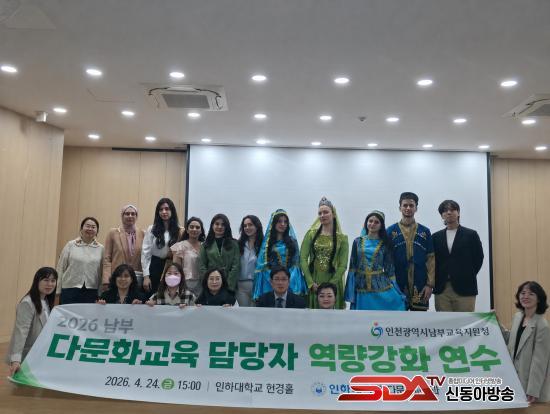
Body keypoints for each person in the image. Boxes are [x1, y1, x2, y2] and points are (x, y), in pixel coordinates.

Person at [345, 211, 406, 310]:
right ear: (366, 222)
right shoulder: (357, 242)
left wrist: (397, 291)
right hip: (361, 286)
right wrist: (350, 292)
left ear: (381, 225)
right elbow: (352, 267)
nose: (372, 224)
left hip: (380, 286)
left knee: (395, 305)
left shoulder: (386, 244)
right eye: (370, 221)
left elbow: (389, 270)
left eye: (376, 222)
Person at [433, 200, 484, 312]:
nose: (449, 212)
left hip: (465, 287)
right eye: (445, 211)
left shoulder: (471, 234)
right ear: (441, 215)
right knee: (444, 322)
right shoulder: (435, 237)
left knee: (465, 322)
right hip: (442, 288)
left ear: (458, 212)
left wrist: (467, 274)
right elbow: (433, 261)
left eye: (452, 210)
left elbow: (478, 258)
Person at [387, 192, 435, 311]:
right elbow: (386, 259)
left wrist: (430, 284)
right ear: (400, 208)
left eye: (411, 205)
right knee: (396, 319)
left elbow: (431, 259)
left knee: (419, 319)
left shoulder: (425, 231)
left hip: (420, 283)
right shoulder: (390, 231)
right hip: (396, 284)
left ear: (416, 208)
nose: (408, 208)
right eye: (405, 205)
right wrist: (388, 284)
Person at [503, 281, 550, 402]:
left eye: (531, 294)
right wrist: (495, 322)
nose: (526, 296)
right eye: (523, 293)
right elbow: (510, 340)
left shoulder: (543, 325)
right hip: (513, 378)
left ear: (539, 299)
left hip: (528, 384)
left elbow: (540, 362)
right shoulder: (517, 317)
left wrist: (533, 390)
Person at [6, 267, 58, 375]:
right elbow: (21, 332)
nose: (50, 284)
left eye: (53, 280)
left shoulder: (46, 301)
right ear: (37, 281)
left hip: (40, 355)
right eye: (46, 280)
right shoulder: (27, 303)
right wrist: (16, 360)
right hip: (27, 357)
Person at [300, 197, 349, 309]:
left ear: (333, 214)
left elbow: (343, 265)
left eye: (326, 212)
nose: (322, 215)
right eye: (320, 213)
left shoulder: (342, 238)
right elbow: (303, 259)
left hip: (333, 280)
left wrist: (331, 285)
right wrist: (310, 282)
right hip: (314, 280)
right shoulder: (311, 234)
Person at [253, 209, 306, 300]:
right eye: (279, 221)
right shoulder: (267, 244)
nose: (283, 224)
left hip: (290, 281)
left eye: (285, 222)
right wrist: (274, 279)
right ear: (273, 223)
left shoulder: (292, 242)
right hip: (271, 282)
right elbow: (263, 266)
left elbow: (295, 263)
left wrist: (287, 279)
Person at [56, 217, 103, 304]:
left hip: (91, 291)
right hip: (69, 289)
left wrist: (101, 292)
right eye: (87, 226)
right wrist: (57, 290)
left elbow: (101, 272)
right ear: (81, 229)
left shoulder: (101, 248)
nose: (90, 229)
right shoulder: (71, 245)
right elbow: (61, 267)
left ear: (97, 231)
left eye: (93, 227)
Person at [142, 198, 182, 295]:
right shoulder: (152, 229)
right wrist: (146, 276)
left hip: (172, 266)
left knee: (169, 296)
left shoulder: (179, 230)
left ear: (172, 211)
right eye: (161, 209)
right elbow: (145, 254)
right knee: (152, 297)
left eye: (167, 209)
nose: (164, 212)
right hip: (155, 266)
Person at [102, 205, 145, 291]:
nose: (130, 216)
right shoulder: (113, 233)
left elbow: (146, 259)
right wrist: (106, 280)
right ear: (122, 216)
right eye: (127, 214)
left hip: (136, 280)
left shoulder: (143, 234)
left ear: (136, 216)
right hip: (117, 278)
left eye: (133, 214)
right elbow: (107, 259)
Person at [198, 214, 240, 292]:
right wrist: (209, 283)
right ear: (212, 226)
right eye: (217, 224)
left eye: (223, 225)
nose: (220, 227)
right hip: (211, 285)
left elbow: (236, 266)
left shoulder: (234, 244)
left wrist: (228, 285)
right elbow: (202, 266)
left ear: (227, 227)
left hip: (229, 285)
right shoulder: (205, 245)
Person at [171, 216, 205, 298]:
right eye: (191, 227)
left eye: (197, 227)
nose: (194, 229)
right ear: (187, 230)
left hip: (202, 283)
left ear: (201, 231)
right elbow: (176, 268)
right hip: (185, 283)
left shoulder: (205, 246)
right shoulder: (180, 246)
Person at [237, 215, 263, 306]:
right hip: (241, 286)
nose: (247, 228)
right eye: (245, 226)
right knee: (243, 312)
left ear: (257, 226)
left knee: (255, 313)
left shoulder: (263, 245)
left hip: (257, 285)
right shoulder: (239, 244)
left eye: (250, 225)